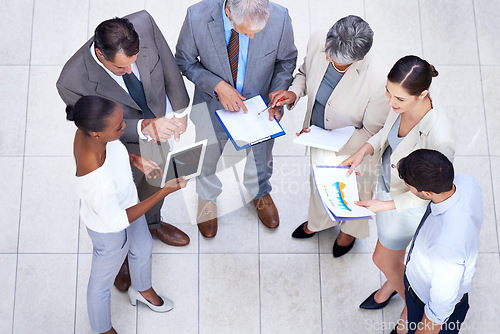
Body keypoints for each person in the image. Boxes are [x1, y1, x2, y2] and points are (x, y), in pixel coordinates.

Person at [56, 11, 191, 291]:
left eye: (134, 63)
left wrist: (180, 111)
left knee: (155, 180)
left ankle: (153, 224)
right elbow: (92, 127)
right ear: (100, 54)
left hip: (160, 121)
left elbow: (167, 64)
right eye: (121, 69)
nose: (130, 71)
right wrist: (143, 127)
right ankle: (123, 254)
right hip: (121, 143)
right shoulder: (71, 81)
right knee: (126, 196)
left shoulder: (143, 22)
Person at [340, 56, 456, 324]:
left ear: (423, 94)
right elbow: (386, 134)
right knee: (392, 258)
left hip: (404, 207)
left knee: (382, 259)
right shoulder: (401, 101)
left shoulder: (440, 136)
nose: (391, 103)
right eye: (388, 92)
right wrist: (363, 150)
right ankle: (392, 285)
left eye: (399, 99)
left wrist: (385, 206)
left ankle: (411, 305)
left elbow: (431, 191)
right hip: (386, 186)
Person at [269, 15, 389, 257]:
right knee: (320, 187)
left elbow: (371, 132)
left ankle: (349, 232)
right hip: (318, 137)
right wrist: (293, 93)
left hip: (355, 150)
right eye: (327, 52)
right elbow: (304, 72)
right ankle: (319, 223)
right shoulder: (319, 41)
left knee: (354, 195)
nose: (326, 59)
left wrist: (322, 136)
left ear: (360, 59)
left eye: (335, 61)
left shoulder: (378, 81)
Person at [175, 0, 297, 237]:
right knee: (207, 156)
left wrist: (278, 90)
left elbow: (286, 61)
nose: (251, 38)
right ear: (228, 11)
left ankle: (259, 191)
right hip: (212, 105)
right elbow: (184, 61)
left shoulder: (280, 18)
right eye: (244, 32)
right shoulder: (196, 17)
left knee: (261, 157)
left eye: (257, 33)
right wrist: (217, 86)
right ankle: (207, 197)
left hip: (260, 108)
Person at [68, 95, 188, 334]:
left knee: (142, 246)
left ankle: (142, 289)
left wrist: (133, 158)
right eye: (119, 127)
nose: (125, 128)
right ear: (97, 133)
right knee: (100, 286)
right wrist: (164, 191)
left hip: (128, 204)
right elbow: (117, 220)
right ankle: (102, 329)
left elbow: (114, 149)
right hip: (110, 231)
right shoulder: (96, 181)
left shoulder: (90, 131)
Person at [394, 149, 483, 334]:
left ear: (427, 193)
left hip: (425, 303)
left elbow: (439, 309)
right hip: (417, 285)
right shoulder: (467, 182)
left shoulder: (446, 247)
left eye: (408, 184)